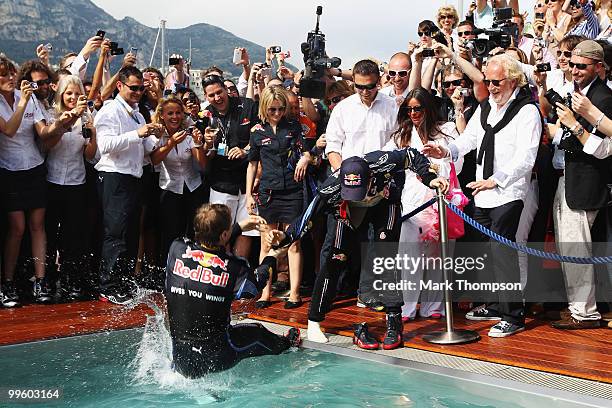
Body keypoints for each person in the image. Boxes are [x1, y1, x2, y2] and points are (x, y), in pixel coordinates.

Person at [266, 148, 449, 349]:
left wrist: (429, 177)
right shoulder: (333, 186)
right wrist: (285, 236)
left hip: (385, 203)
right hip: (347, 209)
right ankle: (314, 320)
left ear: (370, 177)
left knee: (386, 258)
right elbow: (308, 216)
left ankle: (394, 323)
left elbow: (412, 155)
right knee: (335, 258)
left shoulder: (383, 161)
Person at [424, 54, 541, 338]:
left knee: (504, 254)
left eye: (496, 81)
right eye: (487, 81)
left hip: (508, 191)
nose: (490, 86)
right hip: (482, 192)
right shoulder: (486, 106)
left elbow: (527, 157)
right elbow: (470, 139)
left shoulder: (528, 112)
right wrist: (447, 152)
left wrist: (496, 180)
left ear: (513, 80)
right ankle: (493, 304)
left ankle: (513, 315)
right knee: (484, 252)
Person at [165, 203, 300, 378]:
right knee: (257, 331)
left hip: (181, 358)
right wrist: (272, 258)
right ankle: (289, 344)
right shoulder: (235, 268)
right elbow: (253, 289)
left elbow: (205, 245)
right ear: (224, 235)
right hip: (216, 357)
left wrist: (237, 228)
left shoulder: (176, 248)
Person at [325, 59, 399, 311]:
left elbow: (397, 143)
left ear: (378, 82)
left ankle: (366, 293)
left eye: (369, 87)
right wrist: (342, 174)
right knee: (335, 242)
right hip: (349, 186)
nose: (365, 92)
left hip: (380, 186)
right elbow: (333, 147)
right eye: (359, 87)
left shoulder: (392, 106)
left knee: (376, 243)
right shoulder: (343, 109)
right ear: (353, 83)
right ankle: (325, 294)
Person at [549, 40, 612, 329]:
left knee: (577, 250)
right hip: (569, 179)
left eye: (581, 66)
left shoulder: (603, 98)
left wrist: (574, 123)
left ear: (599, 67)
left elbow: (603, 149)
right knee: (570, 249)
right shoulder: (577, 95)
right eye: (572, 65)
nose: (574, 70)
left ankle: (585, 312)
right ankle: (580, 309)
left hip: (586, 184)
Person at [385, 88, 461, 322]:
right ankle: (406, 307)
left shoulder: (446, 130)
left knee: (439, 256)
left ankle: (433, 306)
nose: (414, 113)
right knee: (410, 257)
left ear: (428, 108)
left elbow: (459, 159)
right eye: (409, 109)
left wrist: (439, 161)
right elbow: (387, 160)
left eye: (418, 108)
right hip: (413, 200)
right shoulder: (401, 135)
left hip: (442, 197)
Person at [94, 66, 163, 305]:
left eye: (141, 88)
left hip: (134, 177)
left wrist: (156, 134)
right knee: (116, 233)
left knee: (131, 233)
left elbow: (146, 148)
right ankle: (107, 286)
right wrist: (139, 133)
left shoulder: (137, 113)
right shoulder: (110, 110)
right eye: (133, 88)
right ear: (119, 86)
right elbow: (104, 146)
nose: (138, 92)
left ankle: (123, 281)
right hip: (114, 176)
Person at [246, 87, 310, 309]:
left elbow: (307, 150)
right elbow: (252, 164)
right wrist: (248, 195)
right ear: (264, 107)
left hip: (292, 190)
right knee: (267, 243)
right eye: (272, 109)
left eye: (281, 109)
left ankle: (294, 293)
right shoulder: (256, 131)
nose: (277, 113)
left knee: (293, 243)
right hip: (268, 193)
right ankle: (265, 293)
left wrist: (305, 158)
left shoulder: (293, 126)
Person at [43, 75, 98, 301]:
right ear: (61, 95)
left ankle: (69, 277)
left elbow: (90, 155)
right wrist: (66, 122)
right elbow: (47, 145)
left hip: (77, 181)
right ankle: (45, 276)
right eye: (69, 93)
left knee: (73, 233)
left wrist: (92, 134)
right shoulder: (51, 115)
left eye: (77, 94)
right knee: (48, 231)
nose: (73, 98)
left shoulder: (87, 117)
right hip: (52, 179)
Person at [202, 75, 260, 260]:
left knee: (247, 230)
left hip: (248, 182)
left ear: (226, 89)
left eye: (219, 92)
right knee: (219, 231)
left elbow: (260, 136)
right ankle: (222, 269)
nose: (217, 98)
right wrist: (207, 143)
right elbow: (205, 154)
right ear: (206, 96)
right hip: (221, 183)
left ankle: (238, 270)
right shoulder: (205, 115)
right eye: (211, 95)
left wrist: (245, 150)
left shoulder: (248, 106)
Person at [150, 96, 207, 264]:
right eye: (170, 113)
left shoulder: (189, 133)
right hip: (170, 187)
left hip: (192, 186)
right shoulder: (158, 135)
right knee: (170, 232)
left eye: (178, 113)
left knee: (194, 231)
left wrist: (198, 145)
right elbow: (154, 160)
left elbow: (202, 165)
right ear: (162, 115)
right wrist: (170, 143)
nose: (174, 117)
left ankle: (192, 268)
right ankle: (168, 268)